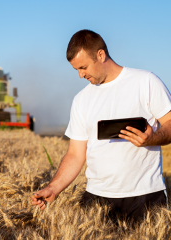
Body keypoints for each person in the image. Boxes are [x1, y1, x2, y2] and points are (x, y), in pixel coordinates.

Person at [31, 29, 171, 224]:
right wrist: (53, 188)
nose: (80, 75)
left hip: (145, 197)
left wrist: (152, 138)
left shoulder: (145, 82)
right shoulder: (81, 100)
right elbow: (75, 154)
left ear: (101, 55)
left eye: (83, 67)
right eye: (76, 70)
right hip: (97, 199)